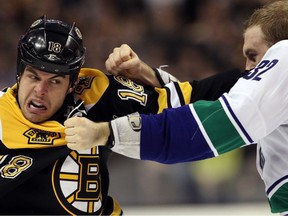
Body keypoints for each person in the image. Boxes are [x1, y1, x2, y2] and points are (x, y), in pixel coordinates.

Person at [0, 15, 245, 215]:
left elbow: (189, 99)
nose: (40, 91)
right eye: (34, 77)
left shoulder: (95, 94)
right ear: (19, 75)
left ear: (72, 83)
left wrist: (269, 72)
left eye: (55, 81)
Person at [66, 1, 288, 215]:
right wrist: (144, 75)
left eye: (253, 56)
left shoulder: (285, 56)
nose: (248, 68)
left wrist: (108, 132)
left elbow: (197, 128)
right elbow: (193, 100)